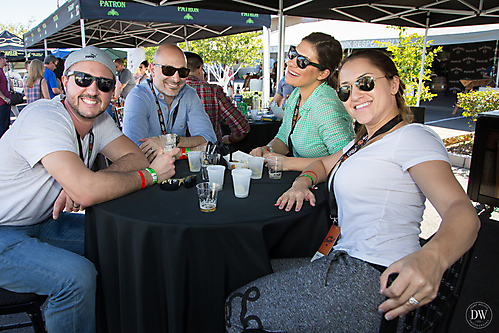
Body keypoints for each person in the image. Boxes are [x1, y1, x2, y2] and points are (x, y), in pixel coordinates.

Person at [225, 49, 480, 332]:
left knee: (238, 306)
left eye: (366, 82)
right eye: (345, 90)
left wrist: (433, 257)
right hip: (342, 259)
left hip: (376, 275)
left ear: (394, 84)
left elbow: (462, 211)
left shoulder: (412, 137)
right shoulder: (363, 142)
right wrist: (303, 181)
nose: (354, 95)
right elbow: (323, 163)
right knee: (249, 268)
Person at [0, 46, 177, 333]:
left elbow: (135, 158)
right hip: (3, 230)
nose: (93, 90)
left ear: (113, 91)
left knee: (126, 240)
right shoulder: (46, 116)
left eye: (104, 84)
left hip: (41, 221)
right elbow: (132, 173)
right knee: (76, 278)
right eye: (83, 79)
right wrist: (150, 176)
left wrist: (87, 181)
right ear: (64, 82)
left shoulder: (99, 119)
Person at [250, 33, 354, 171]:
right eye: (293, 54)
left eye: (302, 61)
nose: (290, 62)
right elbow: (283, 138)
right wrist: (266, 149)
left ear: (322, 74)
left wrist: (288, 163)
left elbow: (345, 159)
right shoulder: (296, 95)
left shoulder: (326, 106)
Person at [122, 44, 216, 161]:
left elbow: (209, 139)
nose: (176, 79)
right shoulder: (138, 96)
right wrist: (192, 150)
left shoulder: (189, 94)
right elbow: (137, 153)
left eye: (182, 72)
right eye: (168, 70)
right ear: (152, 70)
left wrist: (168, 141)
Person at [185, 51, 249, 145]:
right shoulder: (213, 91)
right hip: (211, 153)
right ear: (200, 69)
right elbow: (242, 127)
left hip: (175, 154)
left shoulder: (170, 91)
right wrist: (230, 139)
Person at [0, 52, 11, 138]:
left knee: (5, 125)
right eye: (4, 58)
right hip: (2, 103)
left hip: (4, 103)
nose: (6, 60)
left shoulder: (1, 71)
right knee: (2, 127)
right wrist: (4, 98)